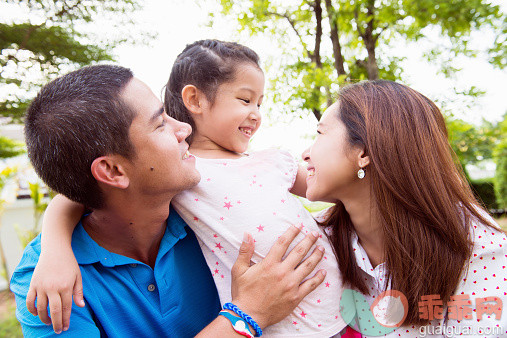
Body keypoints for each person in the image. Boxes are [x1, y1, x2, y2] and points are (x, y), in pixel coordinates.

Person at [25, 40, 346, 337]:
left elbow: (75, 195)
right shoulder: (48, 286)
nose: (185, 127)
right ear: (112, 170)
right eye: (160, 124)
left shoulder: (203, 213)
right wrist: (246, 315)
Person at [303, 80, 507, 336]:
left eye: (320, 134)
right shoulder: (316, 238)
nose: (306, 153)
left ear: (363, 152)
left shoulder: (473, 245)